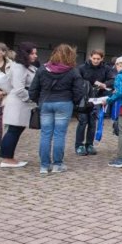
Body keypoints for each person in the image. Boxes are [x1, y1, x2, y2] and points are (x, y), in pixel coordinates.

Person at [28, 44, 85, 174]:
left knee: (45, 134)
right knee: (59, 134)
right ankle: (57, 165)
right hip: (64, 103)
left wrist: (39, 101)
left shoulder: (42, 69)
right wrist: (74, 103)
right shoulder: (72, 71)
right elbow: (79, 91)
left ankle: (44, 166)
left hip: (46, 103)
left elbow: (33, 90)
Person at [0, 42, 38, 168]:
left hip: (22, 103)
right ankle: (7, 158)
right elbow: (19, 89)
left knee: (15, 130)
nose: (35, 56)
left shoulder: (24, 66)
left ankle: (8, 157)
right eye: (32, 53)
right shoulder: (19, 67)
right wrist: (31, 100)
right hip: (19, 103)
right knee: (13, 131)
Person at [76, 50, 114, 156]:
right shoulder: (82, 68)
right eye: (94, 58)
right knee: (83, 122)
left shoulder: (106, 68)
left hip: (97, 98)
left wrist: (104, 84)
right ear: (90, 57)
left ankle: (89, 144)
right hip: (84, 98)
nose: (96, 61)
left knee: (92, 123)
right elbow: (77, 81)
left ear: (102, 58)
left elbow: (112, 80)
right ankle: (79, 145)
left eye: (98, 59)